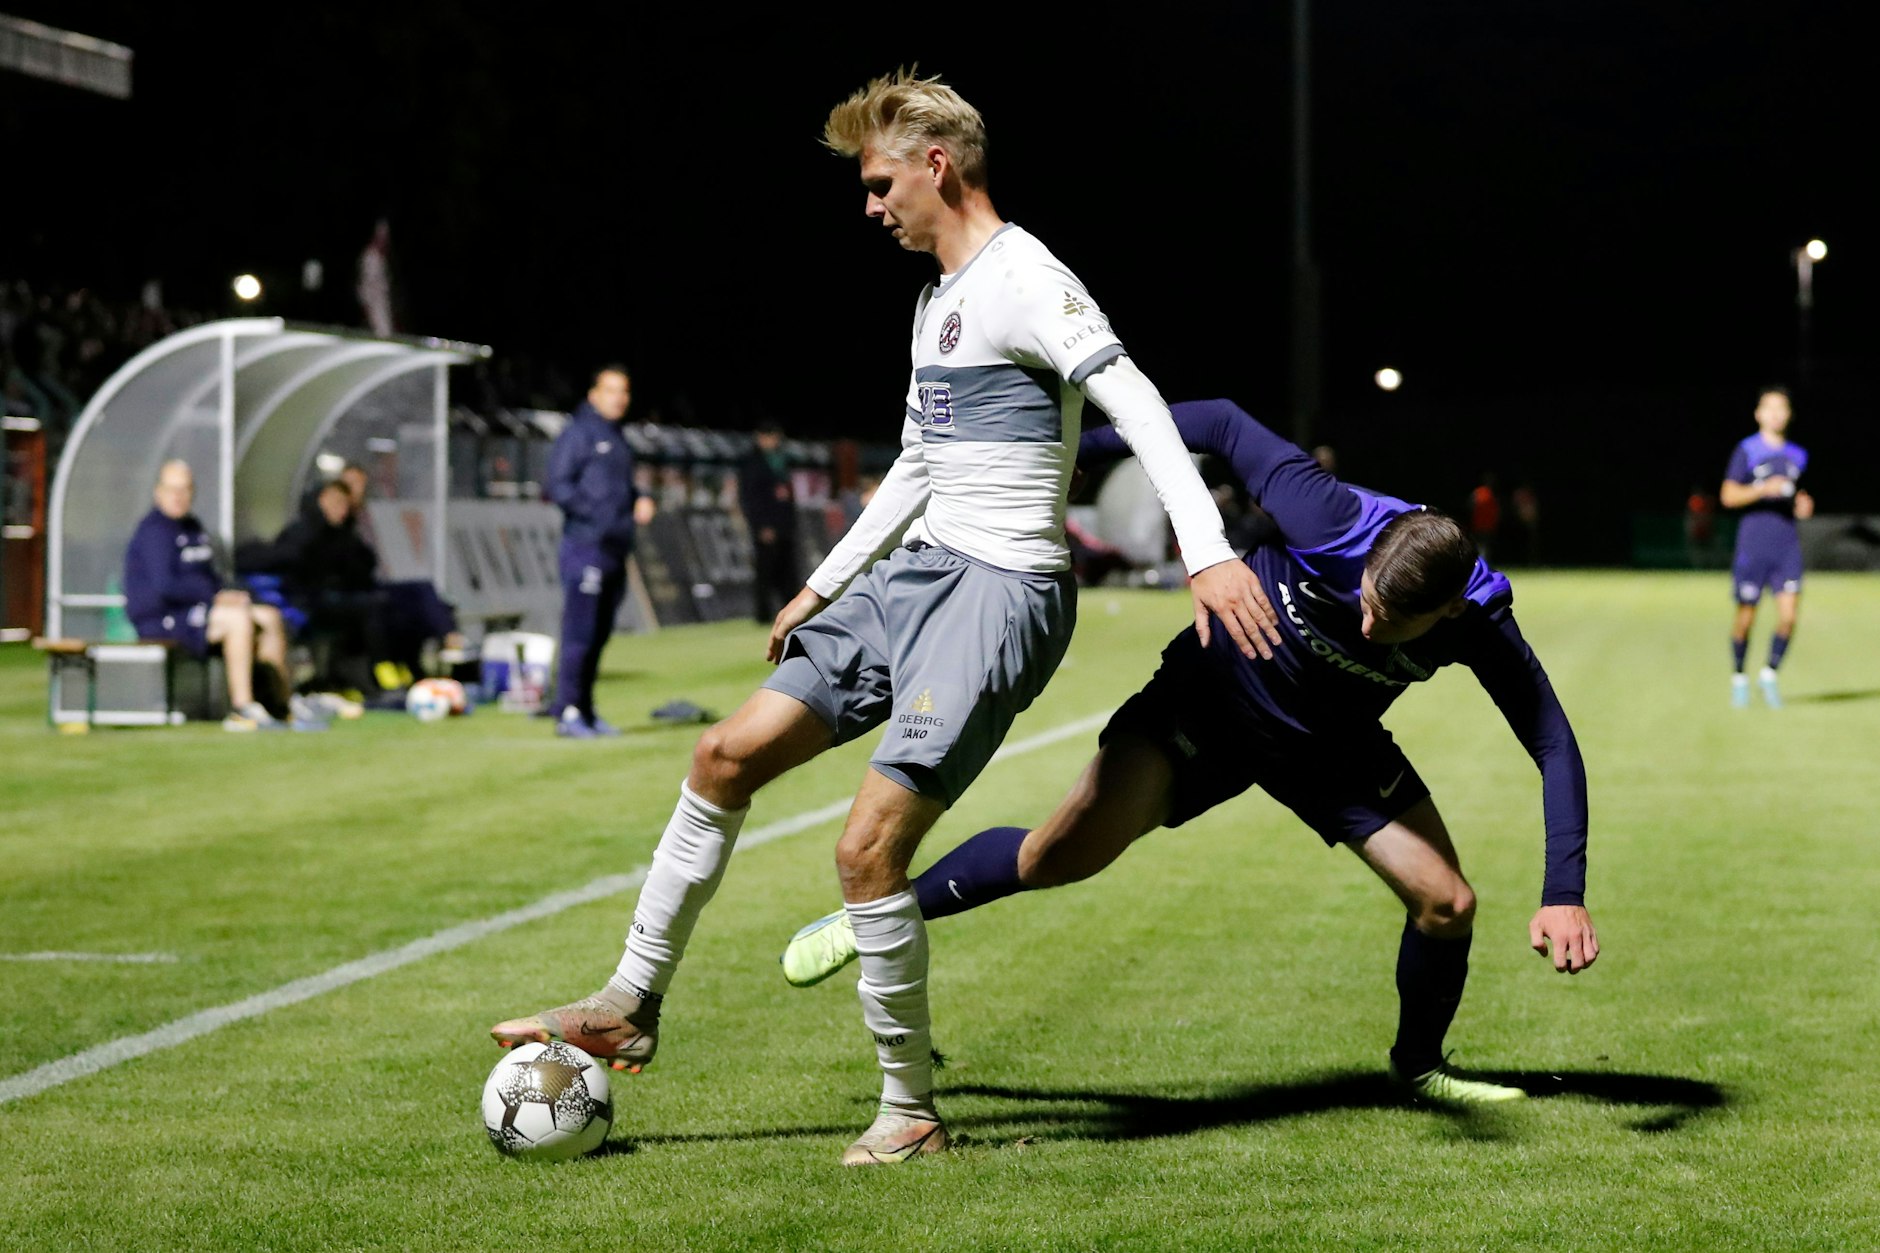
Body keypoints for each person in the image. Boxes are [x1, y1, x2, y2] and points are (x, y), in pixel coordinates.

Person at [490, 68, 1278, 1166]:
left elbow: (1135, 400)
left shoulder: (1024, 277)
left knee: (863, 852)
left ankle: (907, 1110)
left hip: (1000, 592)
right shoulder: (935, 298)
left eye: (877, 182)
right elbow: (919, 460)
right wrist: (822, 580)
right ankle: (627, 1001)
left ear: (935, 165)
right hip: (913, 574)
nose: (869, 205)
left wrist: (1207, 555)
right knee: (722, 755)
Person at [781, 399, 1599, 1107]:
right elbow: (1216, 420)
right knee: (1059, 854)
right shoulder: (1329, 513)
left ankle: (1418, 1068)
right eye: (1369, 600)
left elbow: (1553, 740)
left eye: (1395, 623)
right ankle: (885, 912)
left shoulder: (1483, 623)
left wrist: (1565, 890)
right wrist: (1072, 453)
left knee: (1447, 902)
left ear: (1450, 609)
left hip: (1329, 743)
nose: (1370, 625)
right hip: (1212, 699)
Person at [123, 459, 295, 731]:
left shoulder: (193, 527)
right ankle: (242, 707)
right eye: (172, 489)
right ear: (158, 492)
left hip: (197, 611)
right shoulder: (155, 532)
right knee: (237, 619)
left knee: (269, 616)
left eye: (185, 489)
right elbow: (165, 586)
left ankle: (282, 706)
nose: (178, 497)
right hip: (161, 617)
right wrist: (215, 598)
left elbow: (209, 578)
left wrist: (228, 594)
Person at [545, 364, 655, 737]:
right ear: (594, 394)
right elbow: (558, 485)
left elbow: (617, 489)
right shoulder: (579, 433)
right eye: (611, 390)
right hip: (586, 547)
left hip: (614, 548)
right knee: (580, 631)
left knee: (599, 633)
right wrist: (597, 519)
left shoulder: (617, 436)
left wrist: (638, 500)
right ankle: (568, 712)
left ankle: (585, 710)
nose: (619, 398)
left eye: (623, 391)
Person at [1720, 386, 1812, 708]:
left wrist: (1801, 505)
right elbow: (1728, 496)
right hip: (1753, 545)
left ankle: (1769, 675)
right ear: (1759, 413)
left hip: (1786, 545)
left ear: (1788, 414)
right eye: (1769, 408)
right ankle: (1739, 677)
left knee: (1788, 616)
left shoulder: (1799, 455)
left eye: (1781, 408)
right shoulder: (1746, 450)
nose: (1775, 414)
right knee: (1746, 618)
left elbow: (1795, 496)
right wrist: (1762, 490)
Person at [738, 420, 800, 624]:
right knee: (765, 571)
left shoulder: (781, 460)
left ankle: (791, 610)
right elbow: (750, 498)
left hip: (784, 525)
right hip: (766, 525)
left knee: (787, 571)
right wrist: (761, 526)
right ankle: (763, 614)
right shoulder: (752, 462)